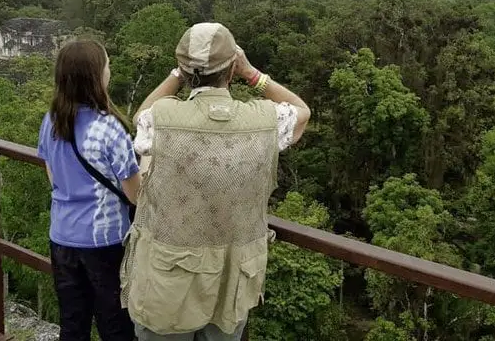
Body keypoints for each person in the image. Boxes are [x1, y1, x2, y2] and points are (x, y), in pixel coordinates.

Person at [121, 22, 311, 341]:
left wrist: (177, 75)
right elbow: (302, 111)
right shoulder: (264, 119)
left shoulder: (163, 118)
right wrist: (252, 74)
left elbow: (142, 115)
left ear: (184, 68)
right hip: (233, 279)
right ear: (232, 67)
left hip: (169, 278)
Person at [37, 39, 142, 341]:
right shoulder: (110, 129)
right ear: (96, 76)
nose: (110, 70)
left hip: (62, 236)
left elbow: (53, 178)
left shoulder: (52, 121)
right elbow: (135, 195)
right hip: (104, 242)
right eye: (107, 65)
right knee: (116, 326)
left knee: (73, 323)